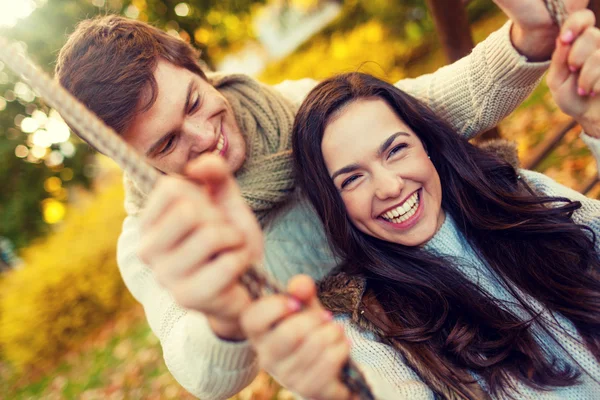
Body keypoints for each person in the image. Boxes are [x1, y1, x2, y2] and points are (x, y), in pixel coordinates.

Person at [54, 1, 590, 398]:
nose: (202, 138)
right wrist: (222, 311)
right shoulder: (158, 237)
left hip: (458, 297)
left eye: (194, 102)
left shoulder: (287, 107)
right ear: (135, 161)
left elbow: (425, 113)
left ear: (198, 69)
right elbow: (199, 369)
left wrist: (528, 39)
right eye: (167, 142)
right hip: (366, 370)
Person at [239, 10, 600, 399]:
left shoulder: (516, 193)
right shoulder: (367, 324)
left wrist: (596, 125)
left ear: (426, 144)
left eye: (395, 150)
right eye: (352, 178)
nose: (390, 186)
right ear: (334, 205)